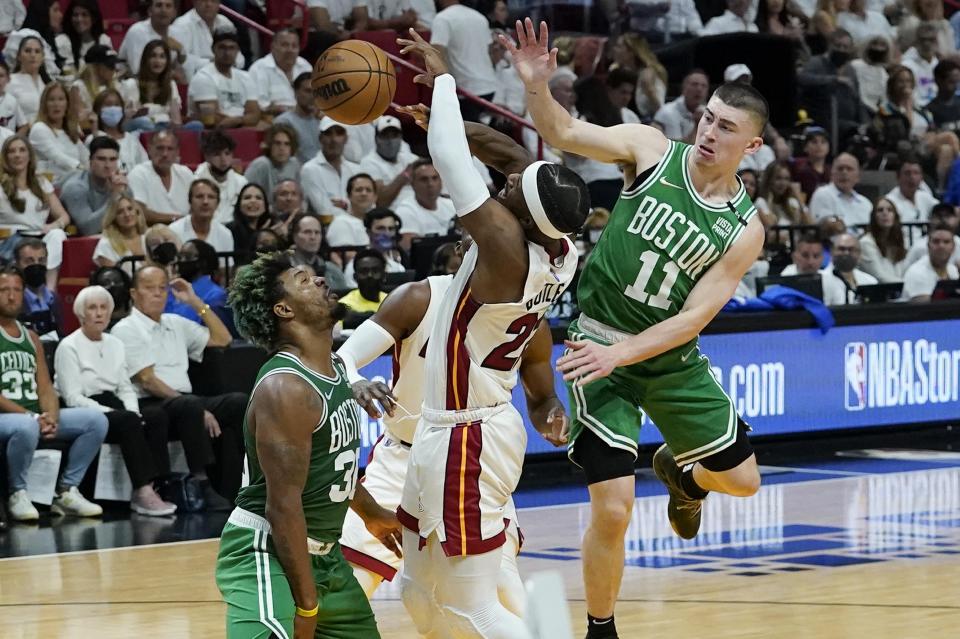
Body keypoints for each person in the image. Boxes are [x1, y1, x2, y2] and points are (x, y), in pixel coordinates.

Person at [504, 18, 769, 638]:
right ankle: (602, 628)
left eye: (726, 127)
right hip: (597, 342)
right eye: (707, 117)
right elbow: (563, 132)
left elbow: (695, 317)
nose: (709, 131)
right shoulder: (650, 149)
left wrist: (626, 354)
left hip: (663, 355)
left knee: (745, 482)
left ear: (751, 147)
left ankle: (683, 473)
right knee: (615, 510)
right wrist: (536, 86)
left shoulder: (744, 228)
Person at [394, 29, 586, 639]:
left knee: (473, 608)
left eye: (505, 193)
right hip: (450, 426)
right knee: (416, 593)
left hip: (467, 437)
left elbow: (456, 162)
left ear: (520, 216)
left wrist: (446, 77)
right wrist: (440, 119)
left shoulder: (504, 252)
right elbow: (509, 159)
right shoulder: (557, 244)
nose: (499, 188)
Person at [337, 255, 566, 603]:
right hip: (404, 458)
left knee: (500, 597)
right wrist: (355, 381)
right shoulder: (417, 298)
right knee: (344, 590)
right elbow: (342, 359)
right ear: (462, 253)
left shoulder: (529, 317)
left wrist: (554, 420)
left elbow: (542, 400)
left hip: (476, 461)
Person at [215, 250, 400, 639]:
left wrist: (372, 514)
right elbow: (283, 507)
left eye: (315, 276)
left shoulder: (332, 369)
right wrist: (307, 605)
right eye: (303, 280)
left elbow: (333, 466)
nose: (319, 281)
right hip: (264, 554)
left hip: (325, 557)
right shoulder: (286, 387)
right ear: (284, 309)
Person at [111, 266, 243, 508]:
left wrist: (195, 301)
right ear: (134, 293)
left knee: (237, 403)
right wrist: (198, 408)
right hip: (151, 401)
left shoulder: (175, 322)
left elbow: (223, 339)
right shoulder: (125, 328)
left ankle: (248, 479)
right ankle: (200, 481)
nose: (158, 294)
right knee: (190, 405)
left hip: (184, 399)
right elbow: (147, 380)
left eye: (162, 288)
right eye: (149, 288)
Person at [55, 285, 176, 516]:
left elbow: (125, 387)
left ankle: (160, 485)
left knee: (156, 416)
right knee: (127, 422)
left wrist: (133, 410)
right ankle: (143, 491)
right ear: (81, 313)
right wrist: (112, 412)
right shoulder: (68, 346)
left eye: (103, 308)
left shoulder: (115, 344)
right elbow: (72, 397)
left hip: (118, 405)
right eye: (92, 308)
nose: (99, 313)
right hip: (87, 408)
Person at [0, 265, 107, 522]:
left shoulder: (32, 337)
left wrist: (51, 416)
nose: (12, 296)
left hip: (33, 418)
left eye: (17, 289)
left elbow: (45, 386)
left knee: (96, 421)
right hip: (9, 418)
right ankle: (17, 493)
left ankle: (67, 490)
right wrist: (33, 418)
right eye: (4, 290)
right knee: (26, 427)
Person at [0, 136, 70, 289]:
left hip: (38, 236)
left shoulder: (41, 183)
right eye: (12, 151)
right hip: (10, 239)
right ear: (5, 157)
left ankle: (49, 289)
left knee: (58, 235)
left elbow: (64, 217)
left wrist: (53, 226)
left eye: (22, 150)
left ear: (29, 155)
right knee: (26, 248)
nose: (17, 155)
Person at [430, 0, 498, 122]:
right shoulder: (480, 17)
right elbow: (490, 53)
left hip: (466, 91)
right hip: (490, 88)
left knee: (466, 138)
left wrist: (443, 89)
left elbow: (435, 54)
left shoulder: (442, 18)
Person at [187, 30, 260, 130]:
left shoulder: (245, 77)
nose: (227, 53)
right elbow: (212, 119)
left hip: (240, 127)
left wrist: (238, 121)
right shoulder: (203, 77)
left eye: (232, 48)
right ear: (213, 49)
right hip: (212, 132)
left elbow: (255, 115)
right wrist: (244, 120)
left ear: (238, 51)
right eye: (222, 47)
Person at [59, 136, 128, 236]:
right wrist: (115, 197)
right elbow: (88, 229)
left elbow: (136, 221)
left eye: (112, 159)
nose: (107, 165)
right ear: (90, 161)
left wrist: (123, 192)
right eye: (101, 159)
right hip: (82, 242)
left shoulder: (120, 184)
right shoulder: (75, 187)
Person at [119, 39, 187, 133]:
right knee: (144, 122)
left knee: (196, 125)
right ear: (145, 59)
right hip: (137, 130)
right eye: (153, 56)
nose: (157, 61)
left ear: (167, 62)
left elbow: (177, 122)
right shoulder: (130, 84)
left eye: (162, 57)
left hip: (164, 129)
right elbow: (122, 123)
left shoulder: (171, 85)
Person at [128, 130, 195, 224]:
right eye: (160, 148)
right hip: (152, 232)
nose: (165, 154)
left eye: (170, 149)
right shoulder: (138, 173)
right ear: (150, 149)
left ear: (177, 152)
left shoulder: (185, 173)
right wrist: (178, 220)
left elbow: (197, 206)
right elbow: (139, 212)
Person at [28, 82, 88, 184]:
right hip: (52, 184)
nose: (56, 104)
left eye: (61, 99)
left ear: (67, 104)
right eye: (51, 100)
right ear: (44, 104)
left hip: (76, 180)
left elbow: (85, 156)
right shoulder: (39, 129)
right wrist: (83, 169)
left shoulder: (70, 130)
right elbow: (58, 157)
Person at [301, 116, 361, 217]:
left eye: (339, 133)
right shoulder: (310, 170)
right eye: (328, 133)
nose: (334, 139)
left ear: (346, 138)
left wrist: (344, 206)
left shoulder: (356, 170)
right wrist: (352, 208)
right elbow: (324, 211)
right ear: (320, 138)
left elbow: (369, 205)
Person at [166, 239, 232, 330]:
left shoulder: (216, 296)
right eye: (179, 256)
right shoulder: (172, 289)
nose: (180, 261)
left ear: (203, 263)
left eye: (187, 256)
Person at [170, 0, 245, 77]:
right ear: (194, 2)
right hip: (196, 81)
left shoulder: (225, 22)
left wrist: (226, 61)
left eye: (213, 0)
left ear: (219, 3)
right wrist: (213, 63)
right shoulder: (181, 25)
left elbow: (240, 59)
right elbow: (182, 61)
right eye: (204, 0)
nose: (208, 4)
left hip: (226, 77)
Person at [248, 28, 312, 118]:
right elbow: (261, 107)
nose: (290, 50)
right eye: (285, 45)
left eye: (294, 46)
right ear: (273, 47)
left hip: (306, 117)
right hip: (275, 121)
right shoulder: (259, 69)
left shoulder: (305, 66)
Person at [359, 115, 419, 208]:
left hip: (419, 210)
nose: (390, 141)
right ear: (376, 139)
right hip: (391, 215)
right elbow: (380, 201)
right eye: (385, 136)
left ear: (401, 138)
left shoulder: (410, 158)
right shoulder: (368, 163)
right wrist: (404, 176)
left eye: (394, 136)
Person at [118, 0, 186, 79]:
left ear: (174, 13)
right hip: (133, 84)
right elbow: (138, 71)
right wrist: (173, 74)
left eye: (168, 6)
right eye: (159, 5)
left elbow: (183, 71)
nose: (163, 10)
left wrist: (180, 50)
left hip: (163, 83)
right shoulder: (137, 31)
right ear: (150, 11)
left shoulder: (178, 33)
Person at [393, 158, 456, 243]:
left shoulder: (452, 206)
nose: (430, 184)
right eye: (424, 179)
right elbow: (410, 248)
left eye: (434, 178)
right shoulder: (405, 210)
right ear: (413, 184)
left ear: (441, 182)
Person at [89, 88, 149, 173]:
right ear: (98, 110)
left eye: (117, 105)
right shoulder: (93, 138)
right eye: (108, 105)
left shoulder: (131, 139)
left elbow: (145, 166)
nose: (113, 109)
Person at [195, 129, 248, 225]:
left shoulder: (241, 182)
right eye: (217, 154)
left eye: (227, 153)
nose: (224, 160)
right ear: (207, 156)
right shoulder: (195, 182)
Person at [169, 179, 235, 254]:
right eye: (199, 196)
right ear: (190, 201)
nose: (205, 202)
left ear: (217, 203)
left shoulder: (225, 234)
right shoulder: (174, 231)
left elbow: (227, 265)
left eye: (211, 197)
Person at [14, 238, 64, 339]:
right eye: (29, 261)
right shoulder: (12, 301)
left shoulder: (55, 299)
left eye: (41, 260)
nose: (36, 265)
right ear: (17, 264)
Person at [287, 212, 349, 291]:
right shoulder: (281, 267)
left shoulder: (332, 271)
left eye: (317, 232)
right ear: (294, 236)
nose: (313, 237)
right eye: (307, 232)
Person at [808, 152, 873, 225]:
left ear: (858, 176)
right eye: (840, 169)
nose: (844, 172)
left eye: (849, 169)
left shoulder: (866, 203)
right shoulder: (823, 194)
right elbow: (825, 228)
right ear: (832, 174)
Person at [244, 123, 302, 200]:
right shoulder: (261, 164)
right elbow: (244, 194)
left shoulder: (294, 164)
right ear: (270, 145)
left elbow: (300, 195)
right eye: (277, 143)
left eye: (287, 144)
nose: (282, 148)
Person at [901, 223, 958, 301]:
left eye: (946, 242)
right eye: (936, 241)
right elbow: (924, 309)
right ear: (928, 246)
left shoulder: (953, 270)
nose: (941, 246)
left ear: (953, 247)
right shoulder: (917, 272)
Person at [56, 0, 112, 76]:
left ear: (94, 18)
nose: (79, 19)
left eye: (84, 15)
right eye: (75, 15)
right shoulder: (62, 41)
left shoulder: (104, 40)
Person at [275, 72, 322, 164]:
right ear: (296, 93)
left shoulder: (323, 122)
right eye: (308, 91)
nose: (313, 96)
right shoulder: (284, 122)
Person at [858, 197, 908, 282]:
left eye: (890, 210)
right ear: (874, 217)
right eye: (880, 210)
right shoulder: (866, 243)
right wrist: (907, 285)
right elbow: (879, 276)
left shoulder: (898, 241)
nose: (885, 213)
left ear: (895, 216)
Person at [69, 44, 118, 130]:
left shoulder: (113, 86)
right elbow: (78, 120)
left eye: (114, 65)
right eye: (110, 65)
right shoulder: (78, 87)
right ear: (95, 66)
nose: (114, 69)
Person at [93, 195, 147, 273]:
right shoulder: (106, 244)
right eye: (120, 212)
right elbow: (113, 279)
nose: (127, 214)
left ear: (137, 212)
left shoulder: (148, 238)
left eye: (130, 209)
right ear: (113, 218)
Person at [653, 69, 709, 142]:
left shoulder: (707, 112)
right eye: (694, 84)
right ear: (684, 88)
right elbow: (678, 149)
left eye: (704, 86)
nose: (699, 89)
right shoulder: (668, 112)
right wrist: (697, 126)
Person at [339, 248, 388, 326]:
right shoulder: (344, 306)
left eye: (375, 271)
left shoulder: (392, 301)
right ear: (355, 277)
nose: (370, 275)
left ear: (384, 275)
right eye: (364, 271)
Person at [8, 35, 51, 123]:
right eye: (28, 51)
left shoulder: (48, 84)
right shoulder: (9, 82)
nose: (33, 55)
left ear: (43, 57)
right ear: (19, 56)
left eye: (37, 51)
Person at [326, 173, 376, 249]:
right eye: (359, 190)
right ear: (349, 196)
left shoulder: (380, 224)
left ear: (375, 197)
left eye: (368, 190)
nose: (364, 193)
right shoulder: (341, 223)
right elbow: (346, 256)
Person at [226, 183, 272, 265]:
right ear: (239, 204)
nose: (253, 201)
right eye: (247, 198)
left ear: (265, 206)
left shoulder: (271, 230)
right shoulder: (229, 231)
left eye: (258, 198)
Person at [829, 232, 878, 303]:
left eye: (851, 249)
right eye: (841, 249)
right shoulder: (821, 281)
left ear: (859, 254)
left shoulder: (870, 282)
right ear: (832, 251)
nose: (846, 253)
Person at [885, 157, 938, 222]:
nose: (912, 177)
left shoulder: (924, 196)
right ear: (898, 177)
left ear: (921, 177)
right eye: (907, 173)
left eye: (916, 173)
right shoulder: (889, 202)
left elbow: (942, 209)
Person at [790, 125, 832, 201]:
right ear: (805, 147)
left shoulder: (832, 171)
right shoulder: (798, 168)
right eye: (814, 142)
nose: (819, 146)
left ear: (828, 147)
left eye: (823, 142)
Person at [927, 59, 960, 132]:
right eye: (951, 82)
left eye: (957, 82)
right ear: (938, 80)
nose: (955, 86)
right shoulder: (930, 110)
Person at [0, 60, 27, 134]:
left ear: (8, 79)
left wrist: (14, 140)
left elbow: (24, 126)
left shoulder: (12, 101)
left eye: (1, 76)